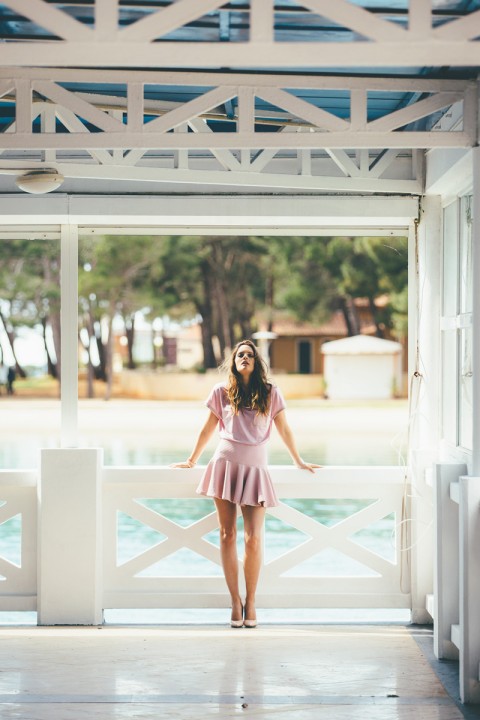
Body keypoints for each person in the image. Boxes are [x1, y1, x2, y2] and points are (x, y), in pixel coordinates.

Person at [172, 339, 320, 628]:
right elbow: (207, 429)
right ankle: (234, 601)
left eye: (250, 355)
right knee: (227, 534)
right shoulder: (221, 392)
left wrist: (299, 461)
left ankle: (251, 600)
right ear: (234, 361)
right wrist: (191, 460)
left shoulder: (270, 393)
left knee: (253, 538)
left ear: (256, 362)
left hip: (255, 470)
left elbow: (284, 429)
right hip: (224, 465)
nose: (244, 358)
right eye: (240, 354)